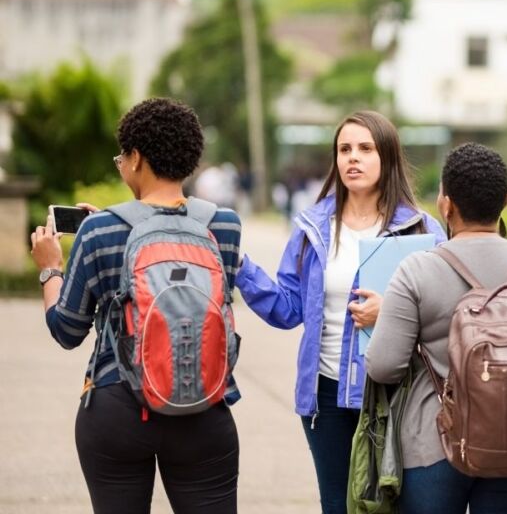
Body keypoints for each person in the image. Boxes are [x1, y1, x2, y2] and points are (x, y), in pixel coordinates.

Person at [30, 97, 242, 513]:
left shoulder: (99, 230)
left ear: (136, 158)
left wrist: (50, 269)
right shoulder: (225, 224)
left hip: (118, 408)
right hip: (204, 403)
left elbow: (67, 330)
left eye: (121, 157)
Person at [234, 110, 446, 514]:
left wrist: (394, 313)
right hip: (325, 394)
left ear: (387, 157)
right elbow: (287, 308)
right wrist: (241, 268)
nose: (353, 158)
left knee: (397, 504)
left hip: (395, 393)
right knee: (337, 505)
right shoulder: (312, 227)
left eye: (365, 148)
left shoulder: (422, 230)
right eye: (344, 149)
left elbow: (446, 315)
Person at [365, 142, 507, 514]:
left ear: (445, 204)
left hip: (435, 445)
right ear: (506, 202)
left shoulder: (417, 271)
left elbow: (383, 365)